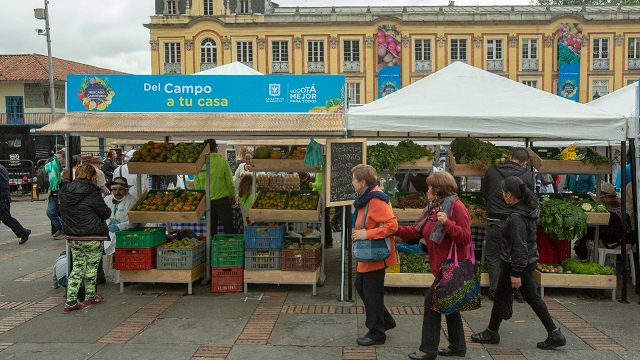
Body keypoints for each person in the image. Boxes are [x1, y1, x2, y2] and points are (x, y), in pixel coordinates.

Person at [471, 176, 566, 350]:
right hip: (526, 262)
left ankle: (493, 332)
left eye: (503, 193)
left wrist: (516, 272)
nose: (502, 195)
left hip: (516, 264)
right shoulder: (528, 210)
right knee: (525, 297)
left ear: (509, 195)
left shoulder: (517, 217)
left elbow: (520, 246)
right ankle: (554, 332)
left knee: (506, 297)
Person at [395, 171, 472, 360]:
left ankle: (428, 350)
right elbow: (415, 230)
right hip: (441, 266)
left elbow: (465, 238)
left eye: (429, 187)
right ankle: (457, 346)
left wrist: (447, 223)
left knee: (431, 304)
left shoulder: (457, 207)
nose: (426, 190)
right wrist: (391, 228)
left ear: (437, 190)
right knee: (450, 306)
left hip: (453, 266)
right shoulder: (433, 208)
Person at [350, 164, 398, 347]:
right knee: (361, 286)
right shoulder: (368, 197)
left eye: (354, 179)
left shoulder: (376, 199)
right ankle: (385, 321)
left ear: (363, 182)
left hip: (374, 255)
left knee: (372, 294)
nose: (352, 183)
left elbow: (392, 226)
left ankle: (377, 332)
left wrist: (367, 234)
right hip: (369, 255)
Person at [481, 147, 534, 303]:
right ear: (525, 163)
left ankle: (496, 292)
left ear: (510, 157)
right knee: (515, 255)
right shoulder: (526, 175)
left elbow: (483, 192)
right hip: (516, 220)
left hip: (494, 220)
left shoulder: (492, 169)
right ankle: (517, 291)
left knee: (493, 256)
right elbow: (530, 198)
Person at [59, 164, 111, 313]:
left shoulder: (65, 191)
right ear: (92, 177)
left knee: (78, 267)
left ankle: (70, 301)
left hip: (73, 237)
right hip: (92, 235)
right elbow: (105, 213)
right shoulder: (92, 193)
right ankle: (90, 296)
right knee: (92, 267)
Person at [195, 139, 236, 235]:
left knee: (211, 229)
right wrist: (232, 196)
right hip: (222, 200)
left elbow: (197, 185)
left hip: (207, 201)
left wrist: (201, 199)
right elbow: (230, 182)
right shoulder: (223, 163)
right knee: (228, 226)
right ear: (216, 148)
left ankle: (211, 248)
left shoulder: (199, 165)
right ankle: (230, 247)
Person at [103, 176, 138, 263]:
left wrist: (118, 226)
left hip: (126, 233)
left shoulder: (131, 201)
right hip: (109, 232)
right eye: (114, 190)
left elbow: (133, 223)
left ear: (126, 190)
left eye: (120, 190)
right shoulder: (107, 199)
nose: (117, 192)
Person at [0, 164, 31, 244]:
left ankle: (23, 232)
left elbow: (4, 185)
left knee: (6, 218)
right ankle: (23, 232)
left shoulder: (0, 169)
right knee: (5, 218)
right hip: (3, 197)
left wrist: (3, 197)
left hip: (2, 198)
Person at [45, 149, 65, 240]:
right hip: (53, 193)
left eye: (59, 158)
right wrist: (51, 180)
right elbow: (45, 178)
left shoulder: (67, 169)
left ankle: (63, 231)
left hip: (62, 194)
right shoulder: (53, 167)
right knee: (50, 212)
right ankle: (62, 228)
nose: (56, 160)